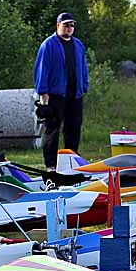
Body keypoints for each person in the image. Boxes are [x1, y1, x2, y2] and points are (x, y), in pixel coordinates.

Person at [33, 12, 89, 171]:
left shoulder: (78, 45)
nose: (69, 28)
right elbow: (42, 69)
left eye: (71, 25)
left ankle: (71, 161)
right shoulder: (48, 45)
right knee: (52, 129)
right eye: (66, 25)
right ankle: (51, 165)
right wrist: (43, 94)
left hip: (75, 94)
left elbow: (83, 67)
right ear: (58, 26)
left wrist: (84, 86)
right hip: (55, 95)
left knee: (73, 129)